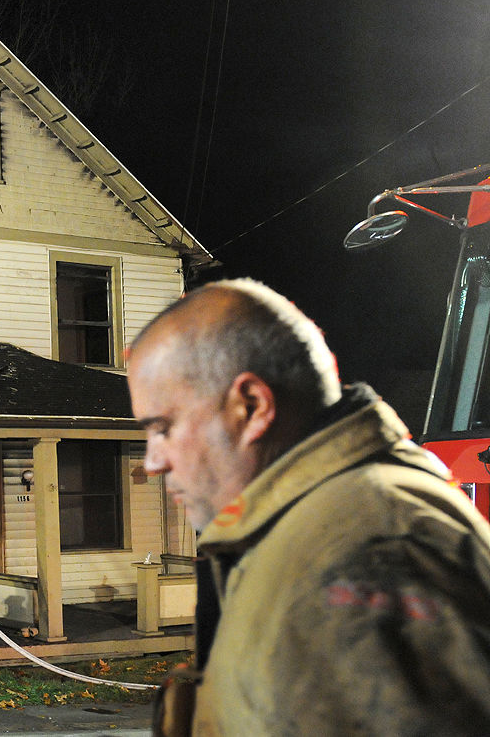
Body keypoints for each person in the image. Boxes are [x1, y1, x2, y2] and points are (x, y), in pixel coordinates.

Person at [126, 278, 490, 736]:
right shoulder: (308, 531)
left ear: (252, 405)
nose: (152, 463)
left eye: (163, 428)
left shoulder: (372, 551)